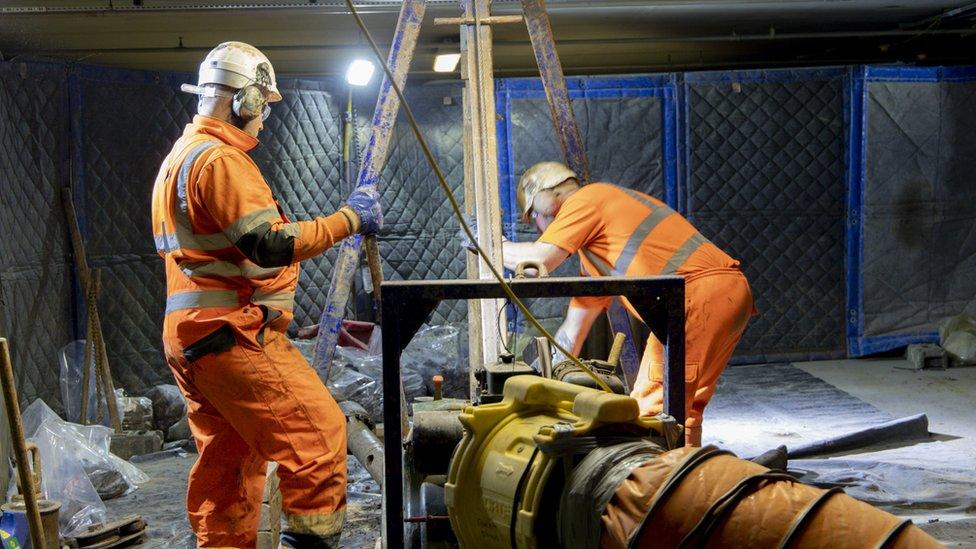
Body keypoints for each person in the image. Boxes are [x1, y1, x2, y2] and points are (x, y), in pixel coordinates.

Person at [150, 42, 381, 548]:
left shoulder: (180, 158)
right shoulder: (220, 160)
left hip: (194, 338)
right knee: (318, 443)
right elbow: (271, 243)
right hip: (230, 336)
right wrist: (351, 219)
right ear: (245, 99)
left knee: (228, 466)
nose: (264, 119)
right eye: (264, 106)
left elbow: (230, 254)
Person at [463, 161, 753, 447]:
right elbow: (573, 332)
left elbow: (537, 261)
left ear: (548, 198)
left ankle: (650, 485)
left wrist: (487, 244)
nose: (538, 228)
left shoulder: (588, 198)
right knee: (686, 407)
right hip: (727, 293)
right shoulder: (597, 256)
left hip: (697, 295)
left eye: (534, 216)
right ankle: (692, 477)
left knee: (651, 410)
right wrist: (545, 374)